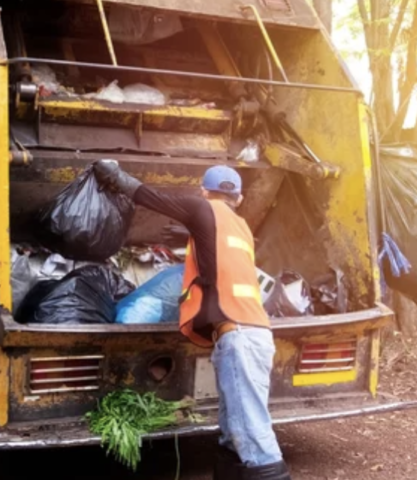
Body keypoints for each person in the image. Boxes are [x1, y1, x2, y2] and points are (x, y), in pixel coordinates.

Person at [94, 160, 290, 480]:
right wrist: (191, 232)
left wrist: (113, 175)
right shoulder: (242, 229)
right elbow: (217, 260)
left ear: (203, 191)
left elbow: (148, 196)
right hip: (255, 333)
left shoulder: (202, 208)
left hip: (238, 337)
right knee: (233, 430)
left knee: (254, 434)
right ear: (238, 199)